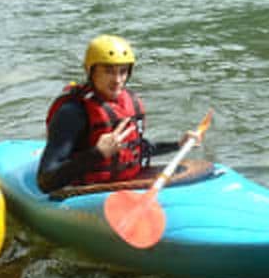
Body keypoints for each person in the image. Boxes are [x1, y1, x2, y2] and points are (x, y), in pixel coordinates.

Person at [38, 35, 200, 193]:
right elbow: (45, 182)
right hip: (84, 193)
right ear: (91, 71)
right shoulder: (72, 113)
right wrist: (98, 153)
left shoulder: (126, 104)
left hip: (121, 186)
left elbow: (136, 149)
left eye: (123, 72)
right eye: (108, 71)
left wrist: (178, 145)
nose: (117, 80)